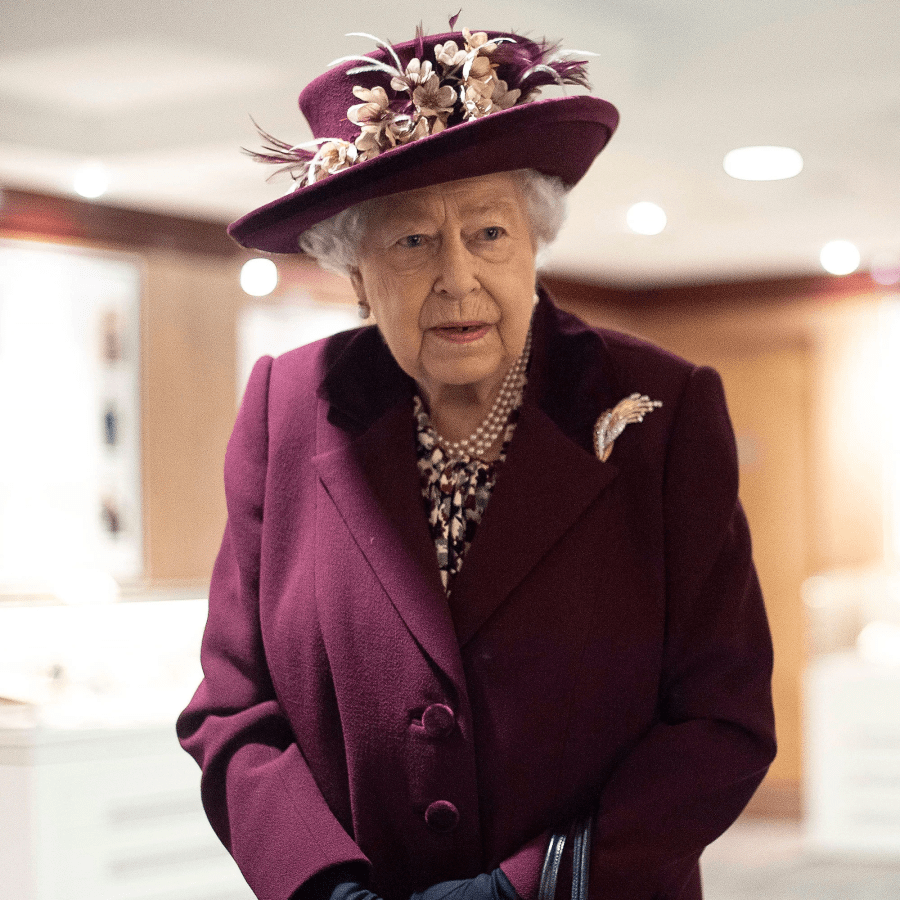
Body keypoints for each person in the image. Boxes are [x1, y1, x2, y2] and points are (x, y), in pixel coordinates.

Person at [177, 23, 776, 900]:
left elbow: (722, 718)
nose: (457, 277)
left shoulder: (662, 409)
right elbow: (232, 707)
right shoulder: (287, 410)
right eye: (411, 242)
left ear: (534, 245)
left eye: (489, 232)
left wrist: (530, 887)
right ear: (355, 274)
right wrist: (318, 886)